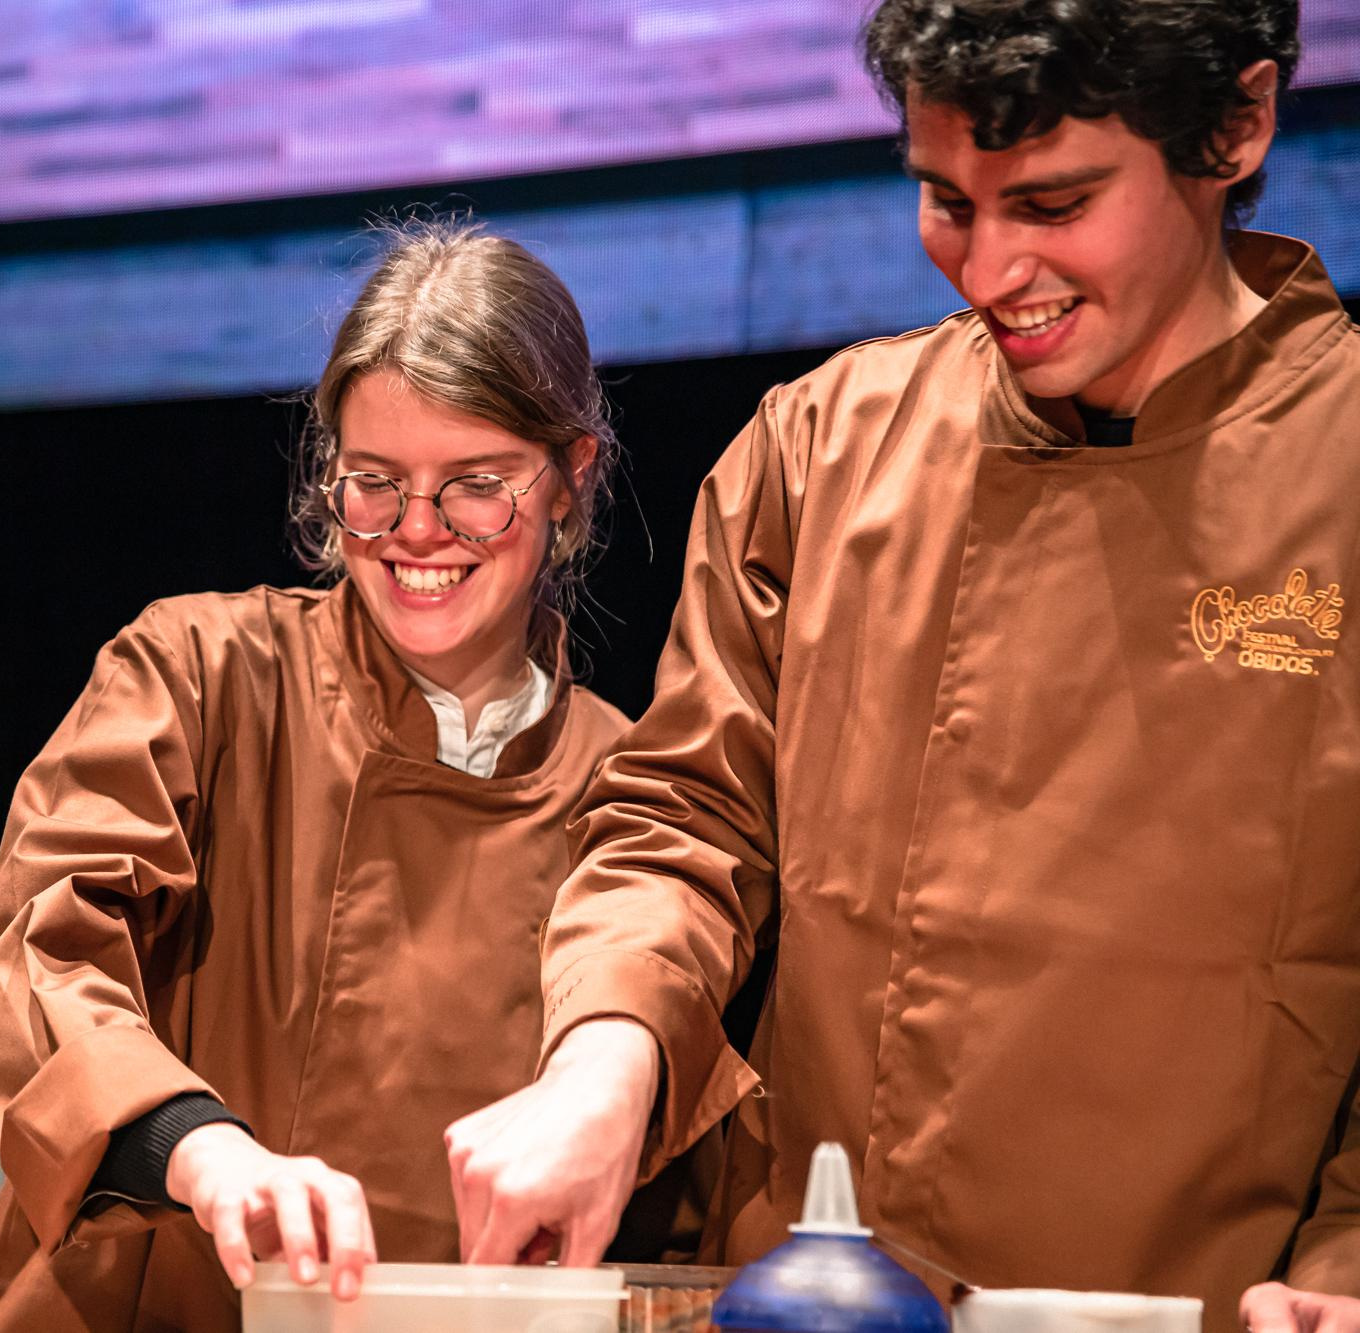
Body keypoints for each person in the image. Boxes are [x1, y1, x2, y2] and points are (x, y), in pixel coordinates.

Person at [444, 2, 1360, 1330]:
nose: (988, 271)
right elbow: (681, 825)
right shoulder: (821, 451)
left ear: (1236, 126)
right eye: (946, 202)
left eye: (1055, 202)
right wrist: (604, 1058)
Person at [0, 221, 632, 1331]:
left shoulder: (626, 784)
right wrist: (199, 1148)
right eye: (372, 481)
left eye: (474, 484)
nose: (416, 533)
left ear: (567, 478)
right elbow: (28, 961)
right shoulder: (198, 673)